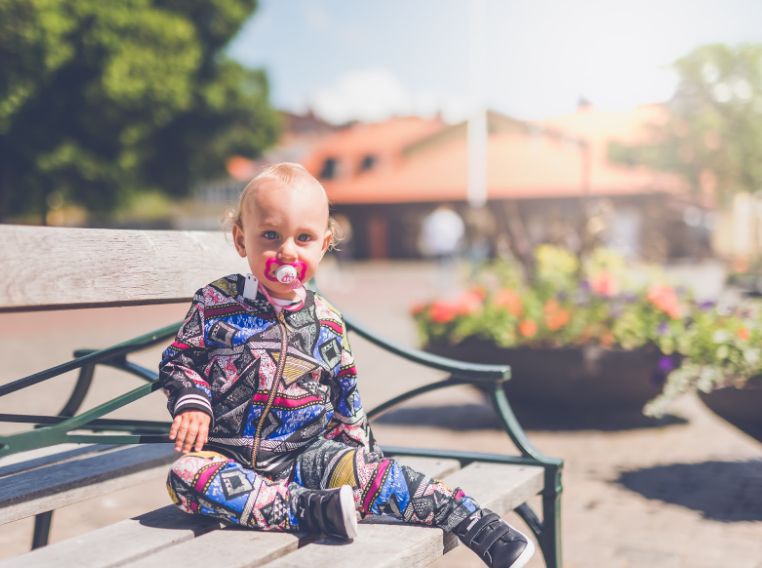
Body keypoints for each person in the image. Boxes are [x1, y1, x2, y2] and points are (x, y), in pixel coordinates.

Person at [159, 163, 534, 568]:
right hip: (230, 461)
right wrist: (192, 400)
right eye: (270, 235)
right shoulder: (217, 303)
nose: (287, 250)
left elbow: (347, 400)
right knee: (186, 477)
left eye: (303, 238)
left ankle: (478, 525)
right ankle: (308, 510)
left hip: (308, 456)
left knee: (386, 476)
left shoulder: (328, 322)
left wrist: (362, 463)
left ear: (324, 244)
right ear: (240, 239)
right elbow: (178, 358)